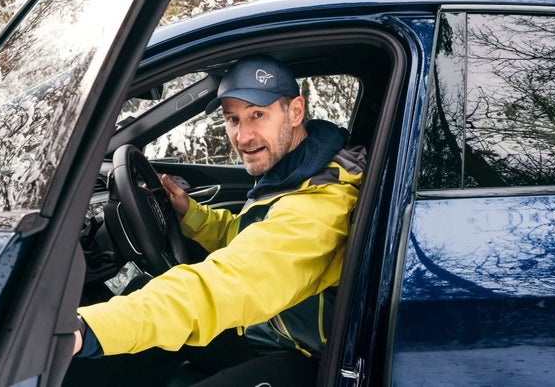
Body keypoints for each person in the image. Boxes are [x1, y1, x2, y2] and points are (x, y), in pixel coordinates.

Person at [72, 54, 366, 386]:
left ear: (295, 111)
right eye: (233, 119)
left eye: (258, 115)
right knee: (143, 297)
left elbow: (226, 284)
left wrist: (90, 328)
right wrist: (189, 214)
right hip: (270, 324)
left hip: (306, 356)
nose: (243, 137)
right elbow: (248, 237)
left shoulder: (319, 204)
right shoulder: (293, 169)